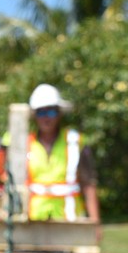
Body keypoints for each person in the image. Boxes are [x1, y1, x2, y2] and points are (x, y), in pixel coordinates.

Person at [23, 83, 100, 223]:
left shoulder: (75, 142)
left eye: (51, 111)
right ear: (35, 115)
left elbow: (88, 183)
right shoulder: (25, 144)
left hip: (70, 219)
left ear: (59, 114)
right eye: (41, 112)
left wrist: (95, 222)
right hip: (33, 220)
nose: (46, 118)